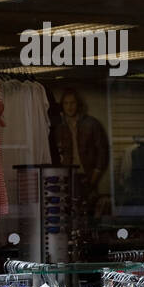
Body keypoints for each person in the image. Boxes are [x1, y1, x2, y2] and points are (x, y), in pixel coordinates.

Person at [51, 88, 110, 216]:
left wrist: (95, 174)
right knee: (68, 213)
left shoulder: (92, 124)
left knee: (88, 211)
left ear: (78, 104)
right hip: (67, 176)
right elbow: (57, 153)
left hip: (87, 175)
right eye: (66, 103)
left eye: (72, 103)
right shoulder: (59, 128)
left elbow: (102, 151)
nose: (69, 107)